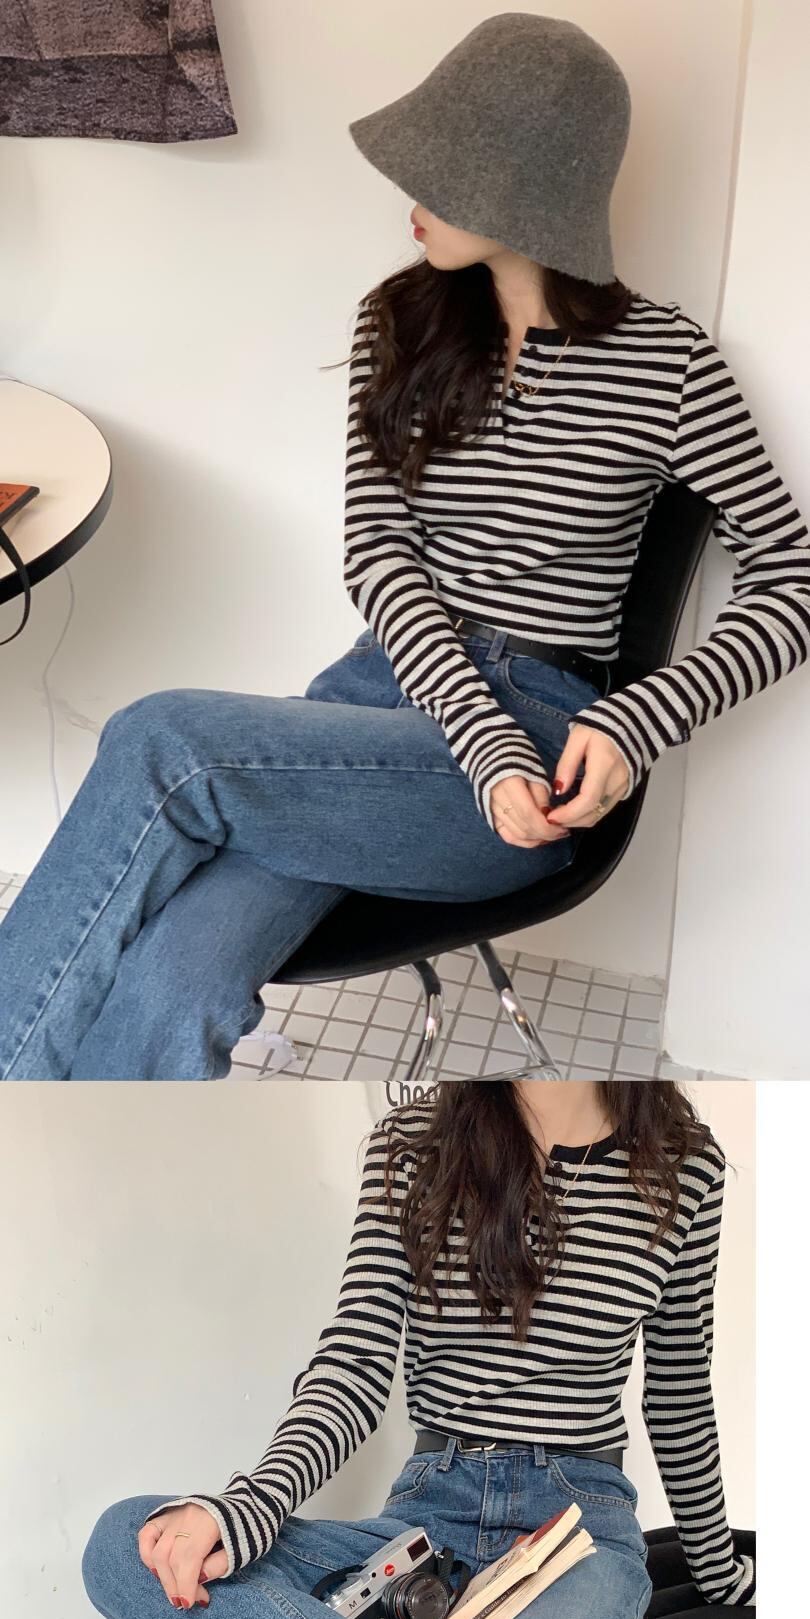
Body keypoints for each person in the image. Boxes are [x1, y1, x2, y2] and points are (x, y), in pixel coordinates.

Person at [1, 17, 809, 1081]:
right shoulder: (401, 322)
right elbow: (379, 552)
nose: (407, 195)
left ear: (529, 191)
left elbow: (791, 581)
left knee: (162, 739)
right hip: (379, 698)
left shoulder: (670, 366)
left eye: (442, 171)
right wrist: (476, 733)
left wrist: (636, 720)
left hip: (536, 741)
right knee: (178, 976)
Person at [75, 1079, 750, 1619]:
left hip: (577, 1531)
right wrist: (247, 1508)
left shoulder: (684, 1164)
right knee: (125, 1542)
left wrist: (719, 1572)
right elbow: (354, 1365)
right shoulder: (412, 1144)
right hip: (428, 1515)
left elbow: (680, 1393)